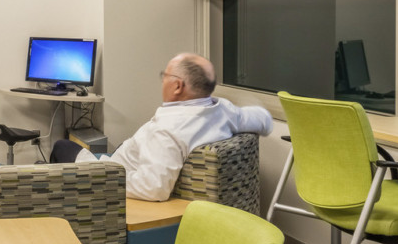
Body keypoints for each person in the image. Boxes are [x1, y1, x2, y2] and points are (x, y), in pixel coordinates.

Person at [58, 53, 273, 202]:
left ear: (178, 86)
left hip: (115, 172)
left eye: (165, 76)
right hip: (132, 155)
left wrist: (107, 177)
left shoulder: (167, 131)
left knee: (62, 147)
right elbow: (263, 120)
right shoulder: (222, 110)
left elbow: (153, 188)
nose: (163, 81)